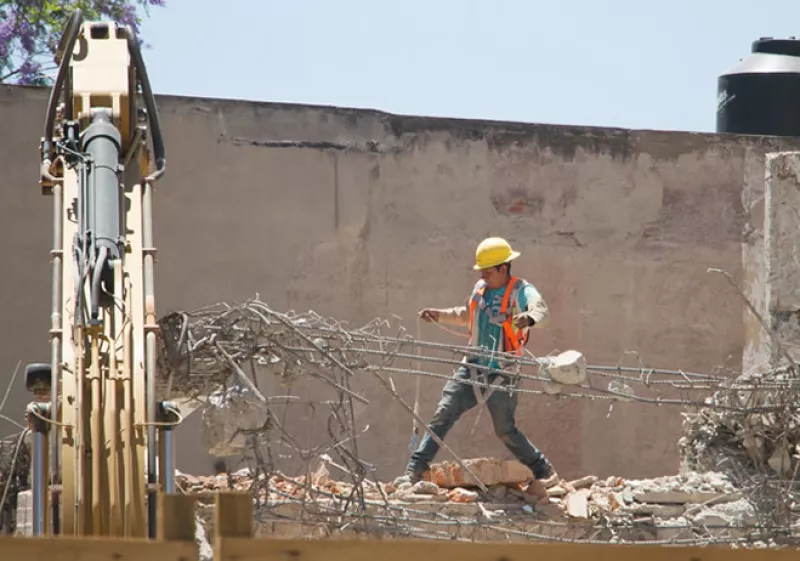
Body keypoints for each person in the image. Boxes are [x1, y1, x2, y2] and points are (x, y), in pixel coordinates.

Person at [396, 237, 556, 499]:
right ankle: (415, 469)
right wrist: (440, 314)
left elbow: (543, 312)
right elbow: (466, 315)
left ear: (504, 268)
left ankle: (543, 470)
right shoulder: (481, 290)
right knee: (443, 414)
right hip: (471, 368)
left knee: (505, 430)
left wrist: (528, 318)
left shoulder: (522, 291)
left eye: (488, 270)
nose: (483, 275)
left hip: (503, 373)